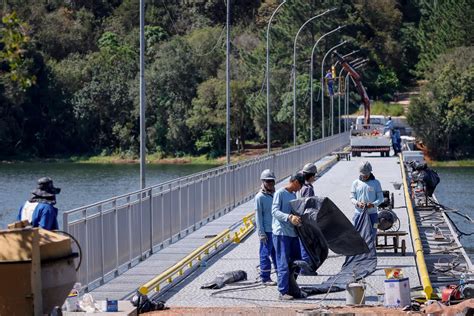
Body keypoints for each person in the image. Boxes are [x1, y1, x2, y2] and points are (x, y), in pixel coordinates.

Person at [272, 173, 306, 300]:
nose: (300, 188)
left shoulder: (293, 195)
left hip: (292, 233)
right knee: (283, 262)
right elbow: (274, 211)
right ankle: (283, 291)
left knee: (297, 260)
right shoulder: (280, 193)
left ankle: (292, 286)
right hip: (281, 233)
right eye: (300, 185)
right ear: (295, 182)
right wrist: (289, 217)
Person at [255, 169, 277, 286]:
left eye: (272, 181)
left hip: (276, 230)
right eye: (268, 182)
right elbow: (258, 217)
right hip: (266, 231)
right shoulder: (260, 197)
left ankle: (281, 275)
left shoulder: (275, 194)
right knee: (265, 254)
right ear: (263, 182)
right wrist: (261, 233)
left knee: (277, 254)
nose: (270, 184)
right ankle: (265, 277)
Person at [350, 162, 384, 239]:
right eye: (363, 175)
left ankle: (371, 248)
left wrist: (373, 204)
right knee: (357, 232)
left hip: (373, 214)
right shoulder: (356, 183)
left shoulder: (376, 183)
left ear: (370, 172)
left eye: (366, 174)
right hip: (359, 214)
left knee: (373, 231)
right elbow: (352, 197)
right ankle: (359, 249)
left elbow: (380, 198)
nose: (365, 176)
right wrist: (357, 203)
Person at [298, 163, 318, 275]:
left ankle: (304, 267)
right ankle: (305, 268)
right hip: (306, 219)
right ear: (310, 176)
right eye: (314, 176)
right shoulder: (308, 189)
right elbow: (307, 204)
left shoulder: (301, 186)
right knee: (306, 244)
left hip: (301, 218)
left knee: (303, 243)